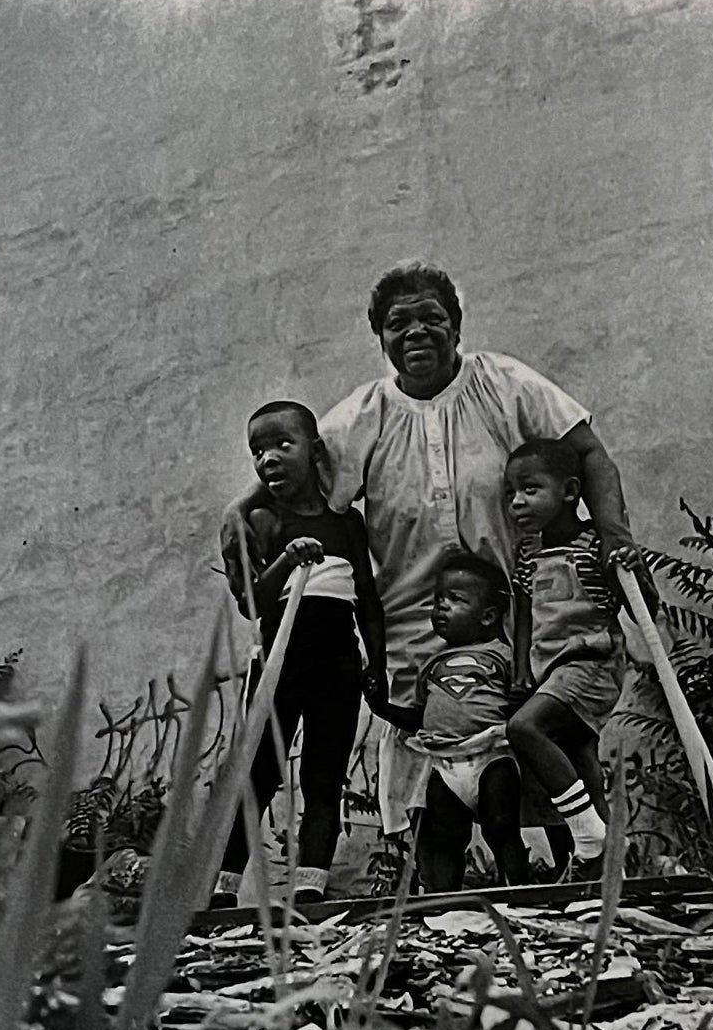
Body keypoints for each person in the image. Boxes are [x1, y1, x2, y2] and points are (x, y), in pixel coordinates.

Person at [309, 262, 633, 892]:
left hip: (527, 624)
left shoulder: (502, 384)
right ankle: (448, 917)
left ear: (456, 325)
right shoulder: (362, 417)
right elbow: (302, 490)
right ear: (379, 338)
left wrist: (615, 544)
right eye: (398, 323)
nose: (417, 333)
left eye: (432, 317)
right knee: (440, 803)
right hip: (420, 633)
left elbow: (587, 452)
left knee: (543, 757)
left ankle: (581, 892)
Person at [211, 398, 384, 899]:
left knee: (324, 776)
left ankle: (310, 886)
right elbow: (253, 603)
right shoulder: (264, 520)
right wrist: (286, 561)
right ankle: (224, 888)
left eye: (282, 445)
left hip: (338, 665)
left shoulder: (346, 523)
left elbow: (368, 602)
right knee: (258, 773)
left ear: (315, 452)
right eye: (257, 451)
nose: (268, 459)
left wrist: (379, 663)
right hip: (278, 665)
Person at [380, 547, 534, 892]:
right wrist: (379, 703)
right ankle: (444, 901)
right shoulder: (432, 665)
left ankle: (521, 895)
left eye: (455, 599)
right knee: (444, 835)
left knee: (502, 828)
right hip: (445, 764)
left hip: (492, 755)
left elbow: (522, 700)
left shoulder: (504, 656)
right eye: (437, 600)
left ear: (488, 615)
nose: (441, 607)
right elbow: (418, 717)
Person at [499, 434, 622, 867]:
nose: (517, 502)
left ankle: (587, 835)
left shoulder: (593, 546)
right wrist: (520, 672)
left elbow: (639, 603)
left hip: (590, 661)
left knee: (524, 729)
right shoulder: (528, 552)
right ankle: (607, 868)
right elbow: (524, 614)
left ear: (570, 491)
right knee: (579, 754)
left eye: (530, 490)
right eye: (511, 493)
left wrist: (628, 566)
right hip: (548, 670)